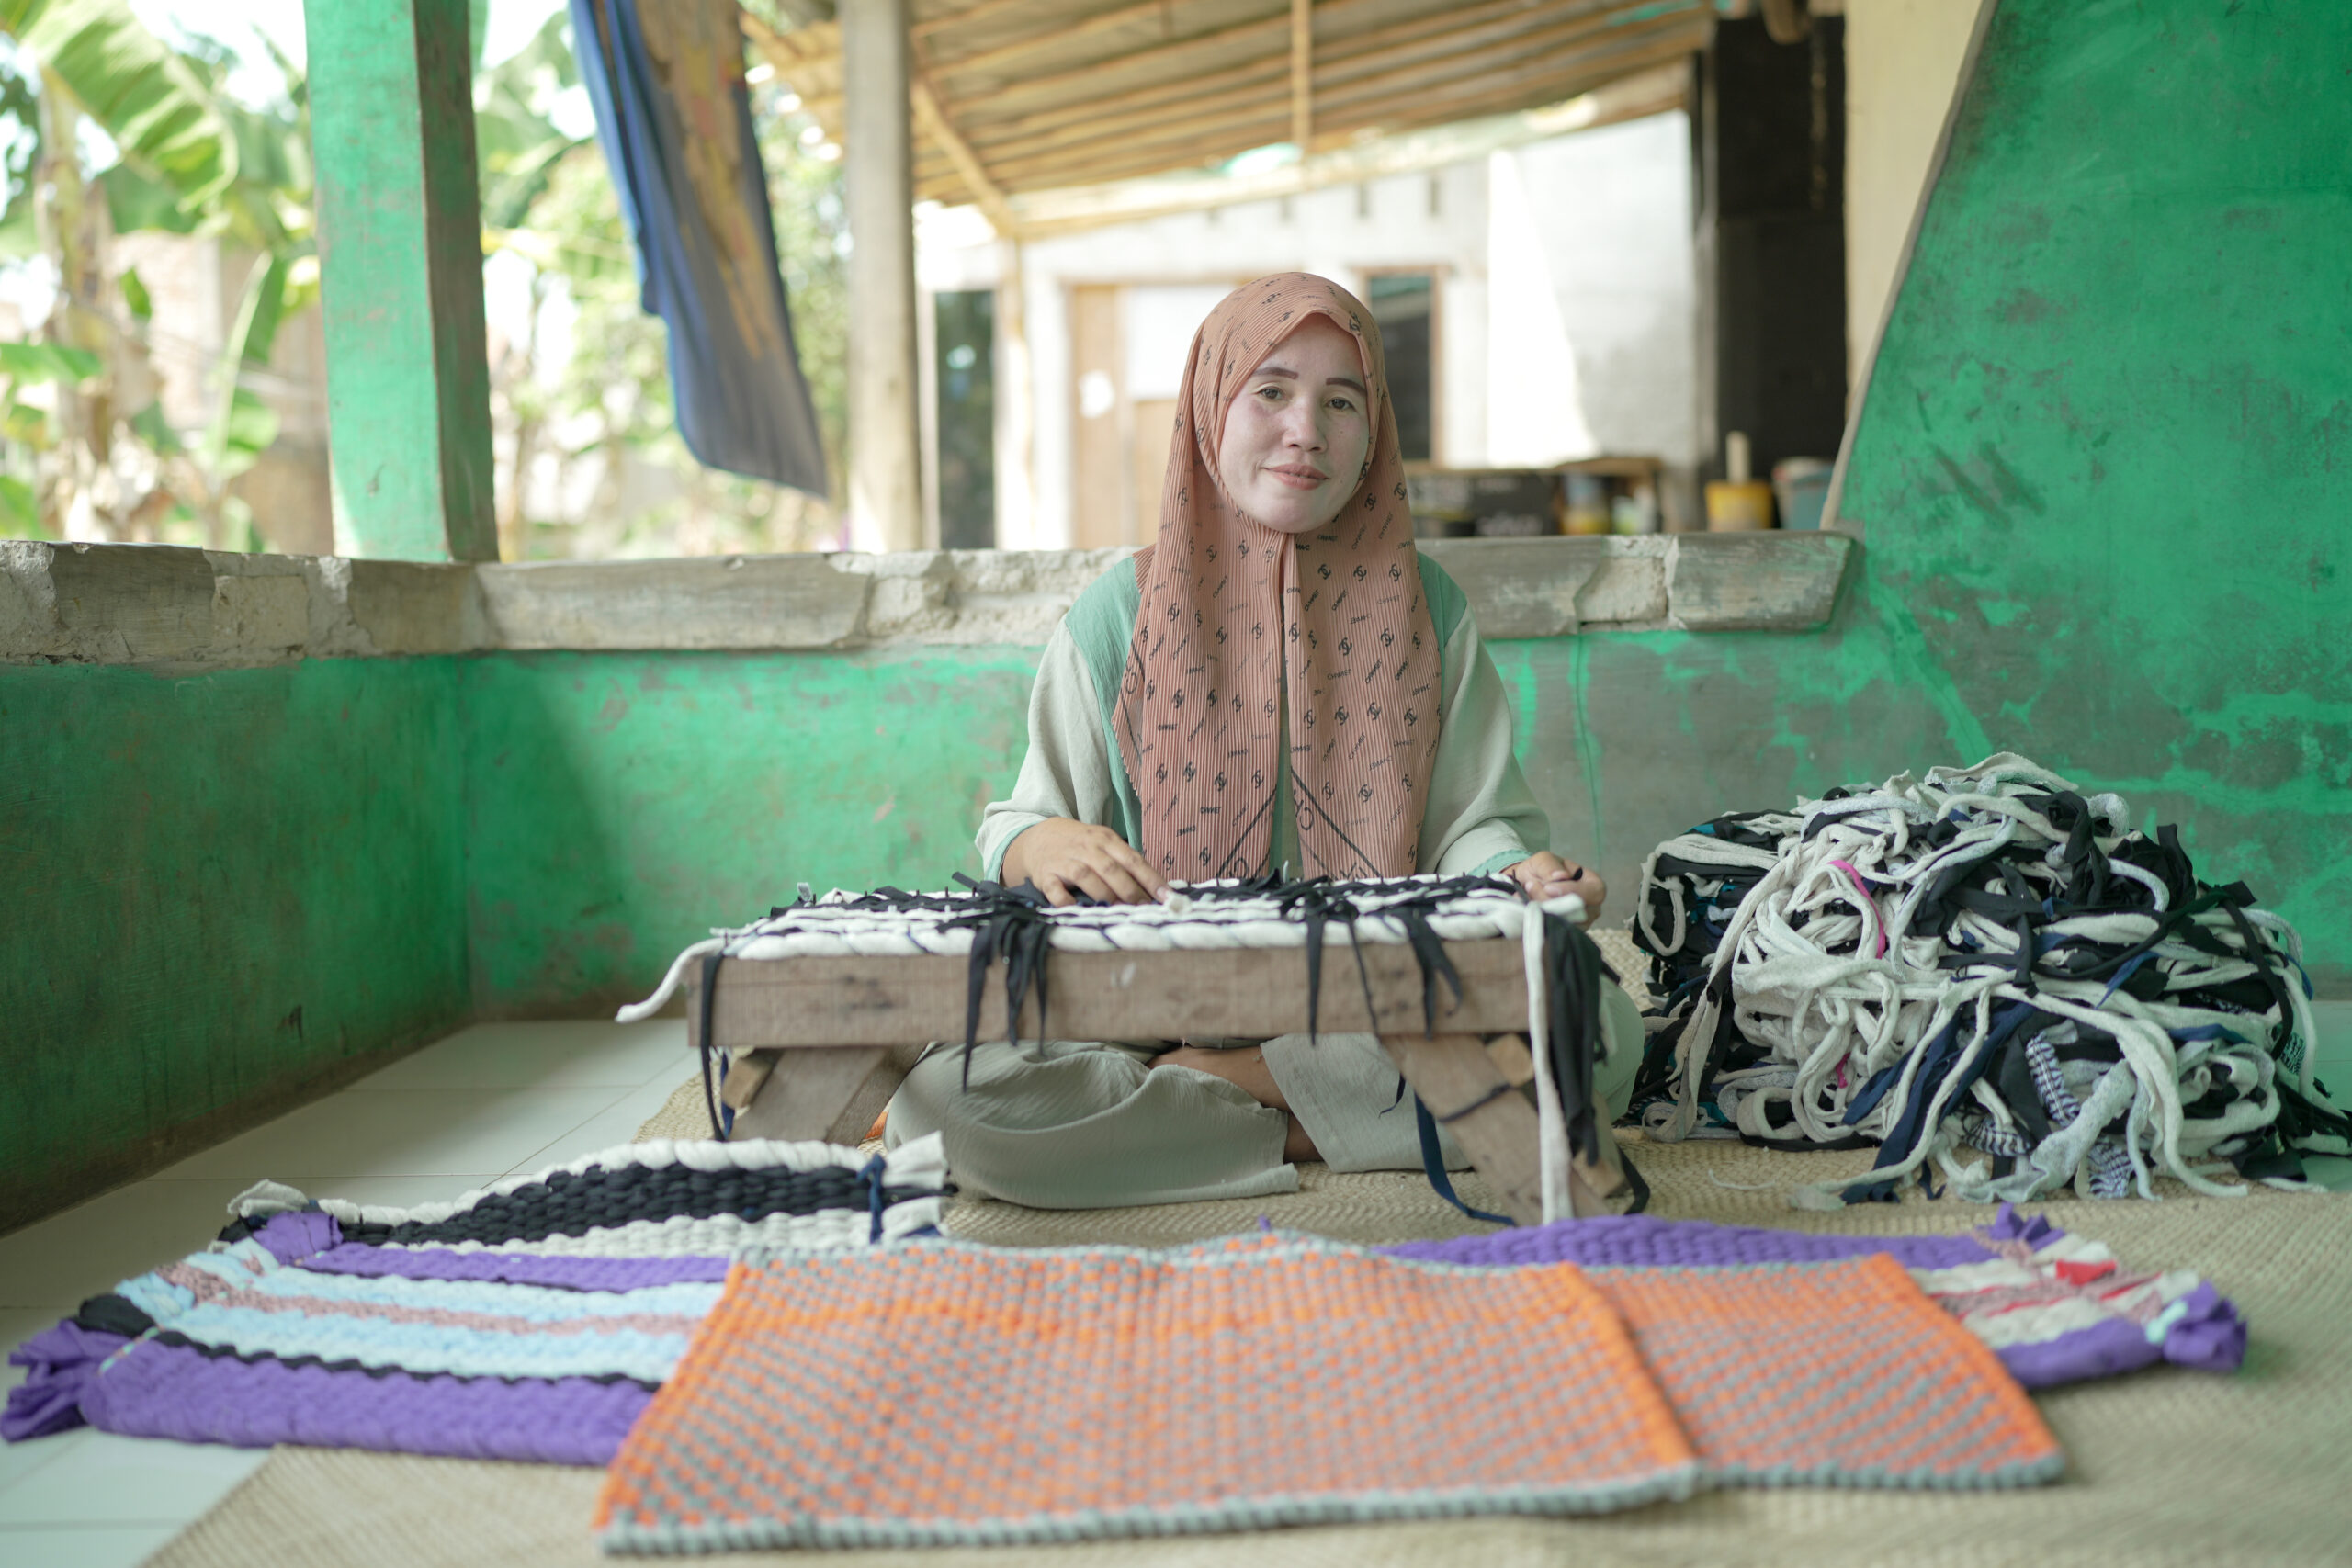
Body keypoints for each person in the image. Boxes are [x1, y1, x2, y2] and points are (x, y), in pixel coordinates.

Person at [884, 274, 1641, 1207]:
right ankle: (1322, 1115)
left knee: (1597, 1027)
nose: (1305, 431)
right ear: (1210, 408)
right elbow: (1023, 825)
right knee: (944, 1099)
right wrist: (1038, 841)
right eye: (1271, 391)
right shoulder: (1118, 615)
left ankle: (1231, 1095)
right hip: (1142, 1004)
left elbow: (1472, 829)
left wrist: (1521, 876)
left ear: (1373, 435)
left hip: (1383, 998)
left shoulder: (1429, 610)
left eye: (1340, 401)